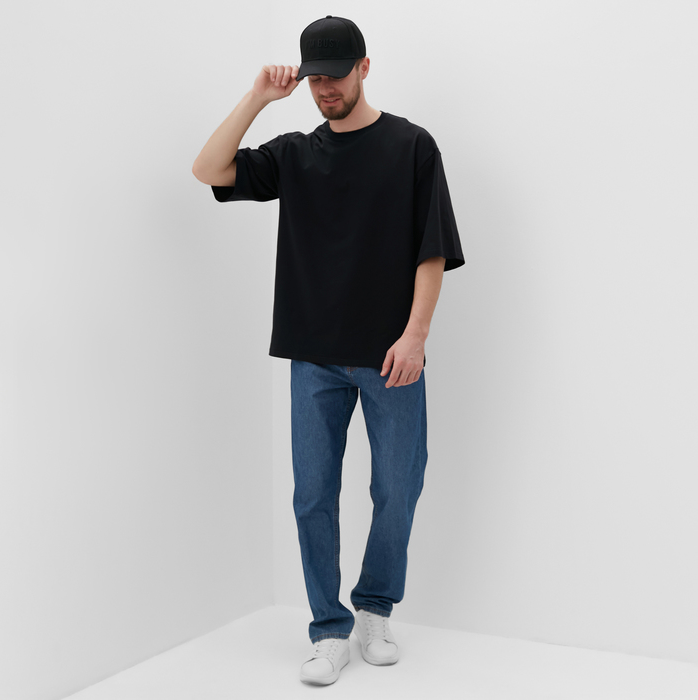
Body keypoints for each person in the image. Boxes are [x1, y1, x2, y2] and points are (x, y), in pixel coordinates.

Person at [192, 15, 465, 686]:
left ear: (364, 68)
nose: (324, 91)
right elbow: (208, 169)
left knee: (398, 487)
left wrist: (416, 335)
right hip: (313, 356)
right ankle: (328, 629)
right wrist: (260, 96)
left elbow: (432, 251)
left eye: (335, 77)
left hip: (392, 357)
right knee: (312, 496)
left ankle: (374, 607)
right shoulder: (295, 153)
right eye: (314, 79)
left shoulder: (411, 146)